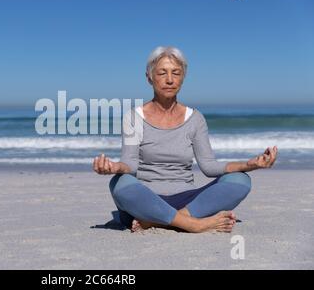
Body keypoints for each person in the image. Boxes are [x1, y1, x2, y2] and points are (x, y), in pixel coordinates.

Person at [92, 46, 278, 233]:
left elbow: (209, 167)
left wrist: (250, 164)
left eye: (176, 73)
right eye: (162, 73)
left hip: (187, 200)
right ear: (149, 77)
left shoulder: (195, 119)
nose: (170, 79)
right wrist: (115, 167)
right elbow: (130, 165)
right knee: (120, 183)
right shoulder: (133, 117)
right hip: (146, 201)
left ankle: (159, 221)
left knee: (240, 180)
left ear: (183, 77)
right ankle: (193, 224)